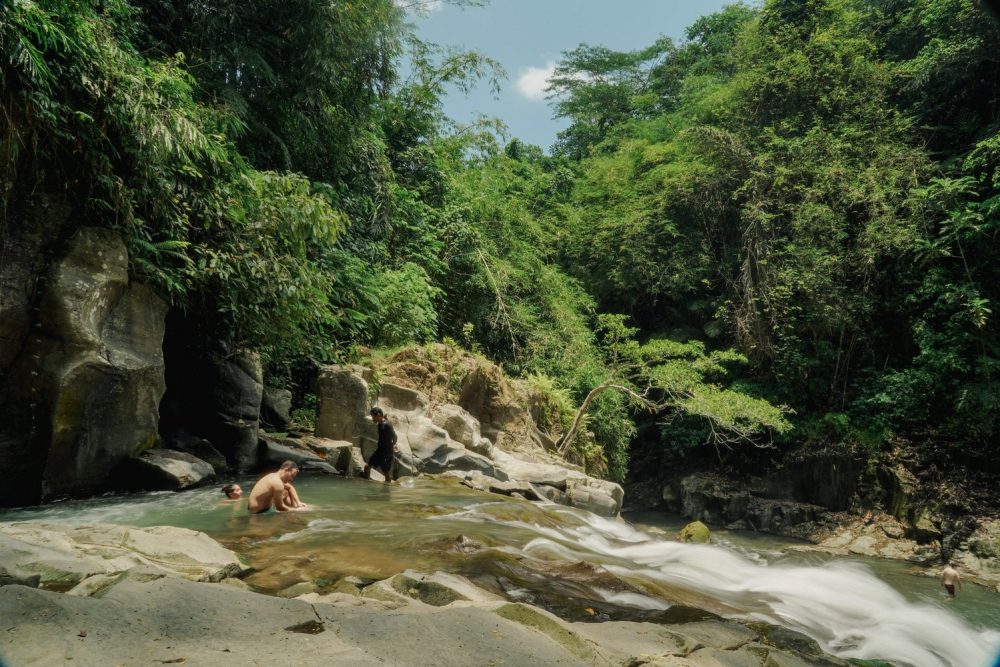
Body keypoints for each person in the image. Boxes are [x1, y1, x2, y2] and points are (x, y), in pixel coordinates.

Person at [363, 407, 398, 484]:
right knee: (367, 467)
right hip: (379, 451)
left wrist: (393, 445)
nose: (372, 419)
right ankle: (366, 484)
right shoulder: (380, 424)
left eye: (373, 416)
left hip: (387, 452)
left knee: (386, 473)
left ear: (378, 415)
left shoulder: (387, 425)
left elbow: (395, 436)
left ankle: (386, 492)